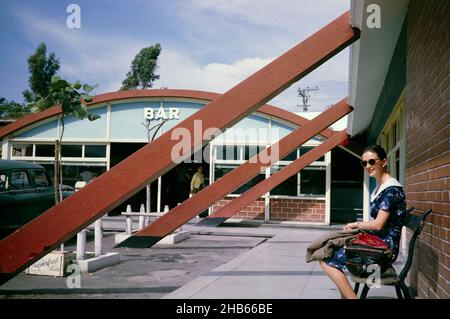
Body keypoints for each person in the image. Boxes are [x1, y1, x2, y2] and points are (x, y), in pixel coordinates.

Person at [318, 145, 406, 299]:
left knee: (326, 258)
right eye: (364, 163)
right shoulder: (382, 188)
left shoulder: (391, 190)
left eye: (372, 162)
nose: (368, 166)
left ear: (384, 162)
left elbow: (378, 224)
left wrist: (356, 224)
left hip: (384, 251)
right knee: (331, 247)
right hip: (377, 243)